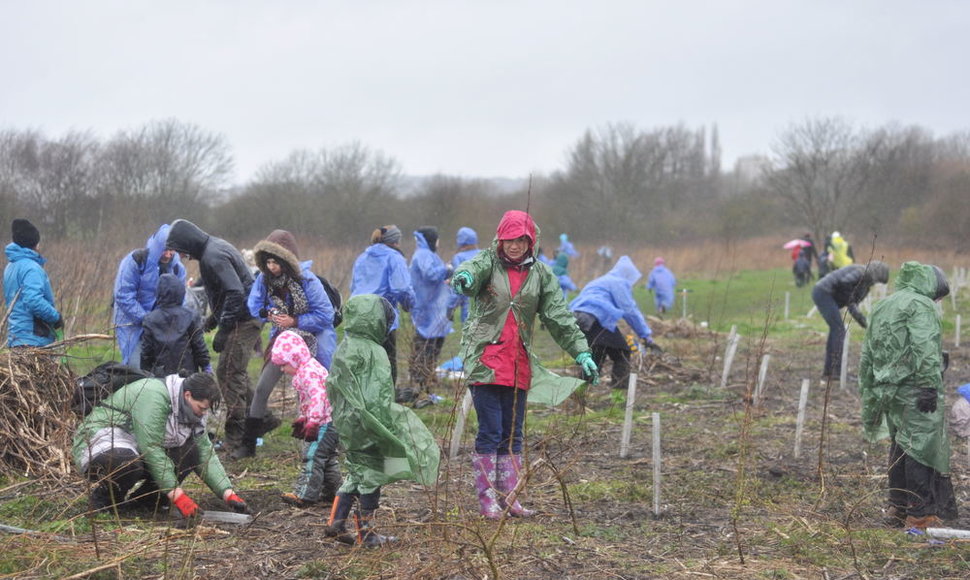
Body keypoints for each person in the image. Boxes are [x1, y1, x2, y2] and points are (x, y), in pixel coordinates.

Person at [451, 210, 597, 519]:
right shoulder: (487, 263)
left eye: (521, 240)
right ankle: (488, 499)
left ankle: (510, 498)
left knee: (513, 434)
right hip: (486, 362)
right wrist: (464, 279)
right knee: (490, 432)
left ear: (531, 241)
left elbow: (559, 317)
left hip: (518, 364)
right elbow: (469, 271)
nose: (514, 246)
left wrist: (581, 352)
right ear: (499, 239)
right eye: (509, 240)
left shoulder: (542, 275)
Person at [324, 294, 440, 547]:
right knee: (374, 473)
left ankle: (335, 522)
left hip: (346, 423)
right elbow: (377, 395)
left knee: (356, 470)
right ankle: (367, 533)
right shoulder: (374, 352)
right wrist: (388, 425)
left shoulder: (345, 345)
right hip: (368, 424)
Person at [859, 261, 958, 529]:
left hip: (887, 390)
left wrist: (869, 387)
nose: (936, 301)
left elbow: (867, 350)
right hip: (914, 387)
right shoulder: (920, 304)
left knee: (900, 446)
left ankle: (897, 507)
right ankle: (920, 514)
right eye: (937, 296)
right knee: (920, 448)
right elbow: (924, 346)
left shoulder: (885, 304)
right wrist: (928, 385)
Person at [72, 372, 250, 517]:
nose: (203, 414)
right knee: (125, 461)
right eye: (201, 408)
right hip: (100, 440)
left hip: (134, 445)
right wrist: (177, 495)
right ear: (187, 395)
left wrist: (227, 493)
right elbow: (151, 448)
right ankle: (105, 501)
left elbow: (205, 451)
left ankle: (146, 501)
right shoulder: (154, 395)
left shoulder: (190, 412)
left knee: (190, 452)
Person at [166, 219, 260, 460]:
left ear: (189, 242)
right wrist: (212, 320)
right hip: (243, 317)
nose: (184, 256)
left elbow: (235, 292)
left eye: (182, 250)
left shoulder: (213, 256)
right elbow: (224, 292)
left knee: (228, 374)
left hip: (244, 319)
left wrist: (224, 329)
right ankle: (260, 420)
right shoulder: (214, 248)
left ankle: (235, 438)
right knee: (236, 371)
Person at [243, 229, 336, 457]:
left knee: (324, 388)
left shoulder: (308, 281)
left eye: (277, 262)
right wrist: (269, 314)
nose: (272, 267)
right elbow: (254, 306)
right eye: (269, 262)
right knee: (264, 387)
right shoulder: (264, 281)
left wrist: (295, 320)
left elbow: (326, 315)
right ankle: (248, 445)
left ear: (287, 260)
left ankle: (329, 441)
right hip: (284, 339)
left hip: (315, 336)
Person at [270, 331, 342, 508]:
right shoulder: (306, 369)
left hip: (324, 422)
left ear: (294, 358)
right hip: (331, 420)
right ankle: (337, 493)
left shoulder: (308, 372)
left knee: (312, 456)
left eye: (284, 364)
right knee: (327, 458)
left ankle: (305, 495)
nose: (282, 369)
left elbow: (319, 396)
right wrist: (303, 417)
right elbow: (307, 400)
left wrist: (313, 422)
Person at [570, 256, 662, 390]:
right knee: (622, 352)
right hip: (596, 318)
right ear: (627, 274)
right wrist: (645, 335)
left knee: (596, 354)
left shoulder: (601, 280)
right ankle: (620, 390)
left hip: (578, 318)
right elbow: (630, 310)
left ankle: (582, 392)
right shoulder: (618, 282)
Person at [350, 225, 416, 391]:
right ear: (395, 241)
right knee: (386, 361)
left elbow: (353, 286)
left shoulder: (362, 257)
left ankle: (361, 398)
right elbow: (401, 288)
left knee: (363, 361)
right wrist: (409, 304)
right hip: (380, 315)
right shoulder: (394, 258)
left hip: (357, 314)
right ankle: (385, 401)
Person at [112, 224, 186, 367]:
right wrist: (147, 319)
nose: (168, 254)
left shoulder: (177, 269)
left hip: (160, 327)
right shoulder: (135, 261)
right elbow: (123, 295)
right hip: (131, 325)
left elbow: (181, 300)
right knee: (136, 367)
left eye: (171, 250)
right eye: (164, 250)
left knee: (160, 368)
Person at [811, 261, 889, 379]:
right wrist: (850, 300)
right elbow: (844, 284)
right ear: (876, 273)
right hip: (823, 292)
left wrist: (865, 323)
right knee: (838, 330)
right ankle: (836, 372)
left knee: (836, 330)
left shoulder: (865, 286)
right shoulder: (861, 272)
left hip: (824, 293)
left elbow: (852, 306)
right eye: (877, 280)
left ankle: (830, 371)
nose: (875, 283)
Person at [405, 227, 453, 407]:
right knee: (424, 350)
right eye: (438, 239)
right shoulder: (423, 255)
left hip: (434, 312)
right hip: (426, 311)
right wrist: (447, 269)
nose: (439, 243)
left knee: (432, 350)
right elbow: (431, 274)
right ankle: (419, 389)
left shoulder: (427, 254)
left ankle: (426, 387)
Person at [3, 219, 62, 347]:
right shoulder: (31, 268)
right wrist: (55, 317)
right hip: (34, 340)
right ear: (35, 243)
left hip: (16, 338)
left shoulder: (10, 266)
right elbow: (34, 300)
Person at [140, 273, 210, 377]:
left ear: (159, 293)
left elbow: (146, 352)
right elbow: (198, 346)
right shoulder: (190, 315)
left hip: (161, 376)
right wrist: (206, 366)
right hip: (187, 374)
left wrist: (146, 371)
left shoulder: (150, 319)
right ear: (181, 292)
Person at [447, 227, 481, 323]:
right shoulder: (483, 255)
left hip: (469, 308)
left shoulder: (459, 258)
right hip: (488, 306)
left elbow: (459, 285)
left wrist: (450, 308)